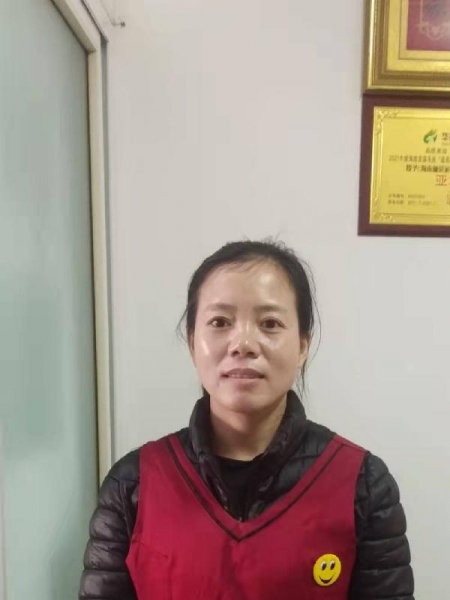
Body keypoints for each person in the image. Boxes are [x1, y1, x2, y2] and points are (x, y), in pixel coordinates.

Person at [79, 239, 414, 600]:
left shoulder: (363, 485)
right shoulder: (133, 485)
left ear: (302, 345)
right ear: (192, 343)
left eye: (270, 323)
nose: (243, 344)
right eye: (220, 322)